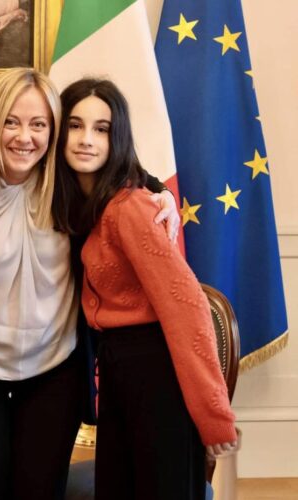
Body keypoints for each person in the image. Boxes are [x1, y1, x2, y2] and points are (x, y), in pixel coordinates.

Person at [0, 67, 180, 500]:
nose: (24, 137)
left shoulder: (68, 181)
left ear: (53, 130)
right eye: (11, 122)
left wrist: (161, 192)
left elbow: (121, 168)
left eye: (38, 124)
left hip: (54, 374)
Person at [53, 77, 238, 499]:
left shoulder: (130, 207)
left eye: (101, 129)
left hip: (157, 370)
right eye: (75, 125)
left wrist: (213, 415)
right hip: (118, 368)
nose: (86, 139)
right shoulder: (83, 205)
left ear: (117, 138)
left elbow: (187, 307)